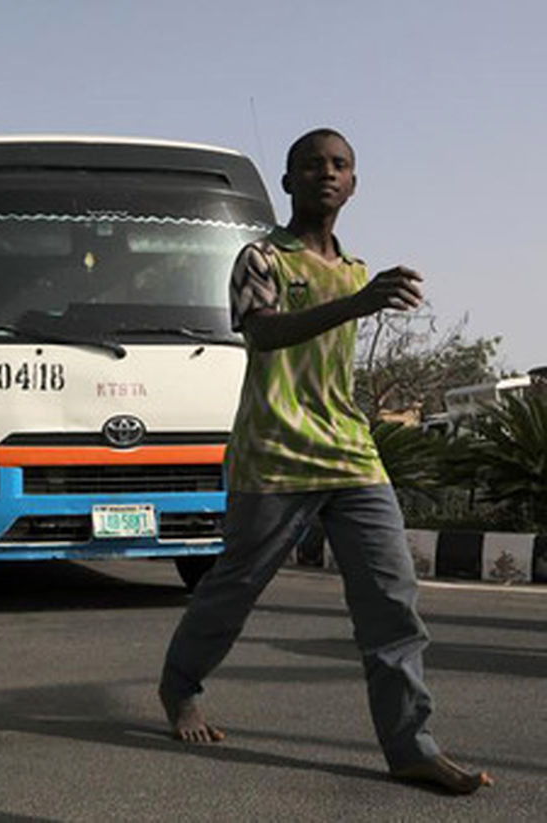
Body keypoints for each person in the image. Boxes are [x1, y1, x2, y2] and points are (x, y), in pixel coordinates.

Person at [156, 129, 493, 794]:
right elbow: (262, 332)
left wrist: (360, 296)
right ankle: (180, 685)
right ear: (288, 182)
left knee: (392, 598)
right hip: (276, 449)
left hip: (348, 448)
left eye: (340, 165)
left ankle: (410, 744)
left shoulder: (353, 268)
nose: (327, 174)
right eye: (312, 165)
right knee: (234, 588)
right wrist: (360, 302)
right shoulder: (260, 258)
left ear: (355, 183)